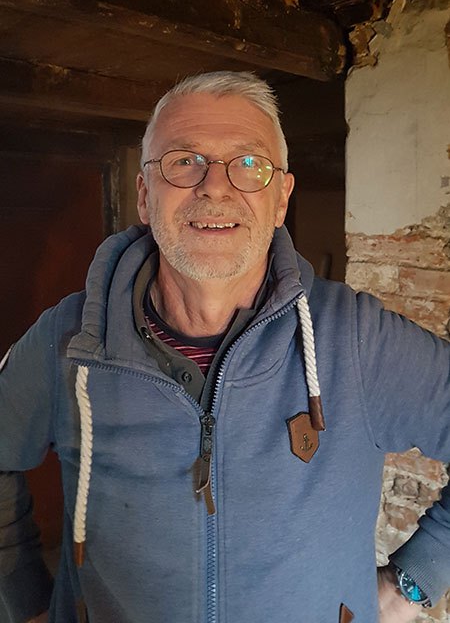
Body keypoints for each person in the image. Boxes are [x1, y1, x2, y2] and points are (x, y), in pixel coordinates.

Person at [1, 70, 449, 623]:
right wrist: (24, 600)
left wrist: (416, 578)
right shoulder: (68, 341)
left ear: (281, 199)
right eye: (184, 160)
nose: (215, 186)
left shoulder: (356, 340)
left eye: (249, 163)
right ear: (144, 195)